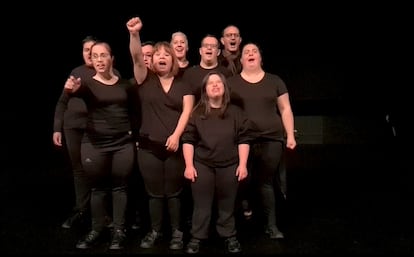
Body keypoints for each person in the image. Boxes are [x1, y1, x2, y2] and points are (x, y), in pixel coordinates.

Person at [127, 17, 194, 250]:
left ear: (173, 59)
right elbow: (136, 56)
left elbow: (187, 112)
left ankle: (176, 232)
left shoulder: (184, 84)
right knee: (155, 193)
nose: (163, 57)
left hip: (174, 147)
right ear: (152, 61)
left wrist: (176, 136)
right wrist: (135, 35)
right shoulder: (144, 79)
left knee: (174, 193)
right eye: (158, 54)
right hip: (148, 147)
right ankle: (155, 230)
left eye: (167, 54)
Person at [64, 41, 136, 250]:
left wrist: (133, 133)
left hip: (122, 144)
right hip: (95, 144)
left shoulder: (124, 84)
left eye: (103, 55)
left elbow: (134, 111)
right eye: (95, 56)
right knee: (98, 189)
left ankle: (118, 231)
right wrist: (71, 90)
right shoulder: (87, 85)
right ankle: (97, 229)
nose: (99, 60)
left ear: (112, 59)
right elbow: (76, 92)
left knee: (120, 188)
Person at [228, 42, 296, 239]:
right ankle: (237, 222)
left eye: (254, 51)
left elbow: (285, 109)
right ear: (241, 60)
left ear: (260, 58)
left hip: (271, 138)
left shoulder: (275, 81)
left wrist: (290, 134)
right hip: (243, 140)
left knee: (265, 182)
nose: (250, 53)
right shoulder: (231, 83)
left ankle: (271, 226)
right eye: (246, 52)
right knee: (242, 180)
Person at [182, 71, 251, 254]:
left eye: (218, 82)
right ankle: (197, 237)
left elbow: (244, 140)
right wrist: (189, 165)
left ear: (224, 87)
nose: (215, 85)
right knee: (201, 204)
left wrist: (242, 164)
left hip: (230, 164)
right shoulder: (197, 113)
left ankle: (229, 236)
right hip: (203, 164)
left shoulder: (236, 112)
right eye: (210, 82)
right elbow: (188, 140)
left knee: (227, 204)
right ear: (205, 89)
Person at [53, 35, 97, 229]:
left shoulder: (108, 73)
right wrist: (57, 128)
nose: (89, 54)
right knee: (79, 170)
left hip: (95, 129)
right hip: (72, 128)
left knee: (96, 170)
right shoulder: (75, 72)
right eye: (86, 50)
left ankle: (100, 213)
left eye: (93, 50)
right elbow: (62, 102)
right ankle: (81, 210)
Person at [183, 34, 233, 103]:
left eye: (213, 46)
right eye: (206, 45)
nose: (209, 48)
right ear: (200, 51)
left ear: (218, 52)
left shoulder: (226, 73)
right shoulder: (189, 74)